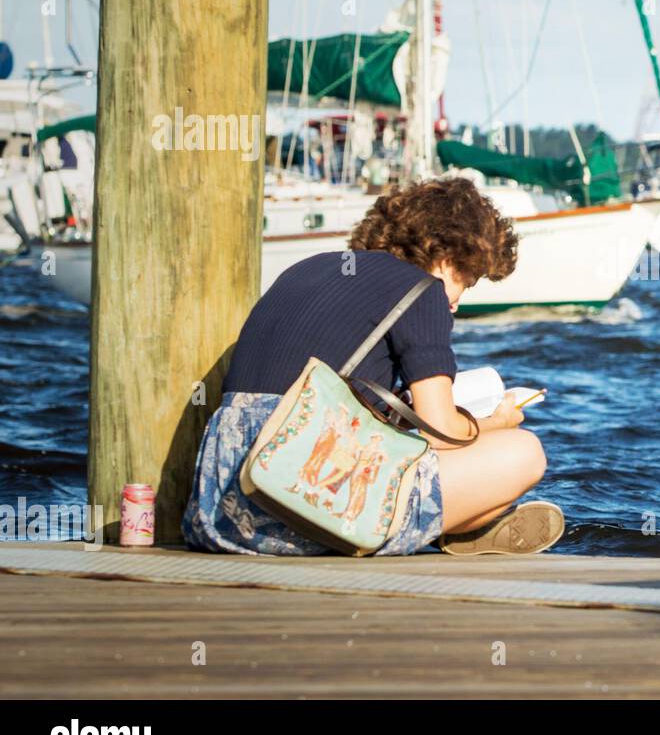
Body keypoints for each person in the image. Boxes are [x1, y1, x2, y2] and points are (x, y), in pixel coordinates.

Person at [181, 177, 562, 556]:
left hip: (221, 504)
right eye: (470, 280)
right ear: (447, 258)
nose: (458, 303)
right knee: (525, 452)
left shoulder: (308, 267)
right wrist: (498, 420)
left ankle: (448, 527)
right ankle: (451, 528)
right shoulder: (421, 290)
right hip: (295, 509)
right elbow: (442, 433)